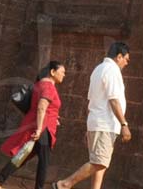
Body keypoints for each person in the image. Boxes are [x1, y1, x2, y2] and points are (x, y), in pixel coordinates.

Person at [55, 42, 131, 189]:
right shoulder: (112, 70)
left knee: (100, 165)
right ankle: (66, 183)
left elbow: (94, 100)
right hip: (105, 123)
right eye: (126, 59)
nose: (126, 63)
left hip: (98, 122)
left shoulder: (99, 69)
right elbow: (114, 100)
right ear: (119, 56)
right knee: (100, 162)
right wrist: (124, 124)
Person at [0, 60, 65, 189]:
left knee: (23, 156)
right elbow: (41, 107)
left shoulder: (39, 84)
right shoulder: (49, 87)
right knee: (44, 161)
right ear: (53, 72)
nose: (64, 75)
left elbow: (43, 107)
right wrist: (39, 128)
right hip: (44, 128)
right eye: (62, 72)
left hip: (37, 124)